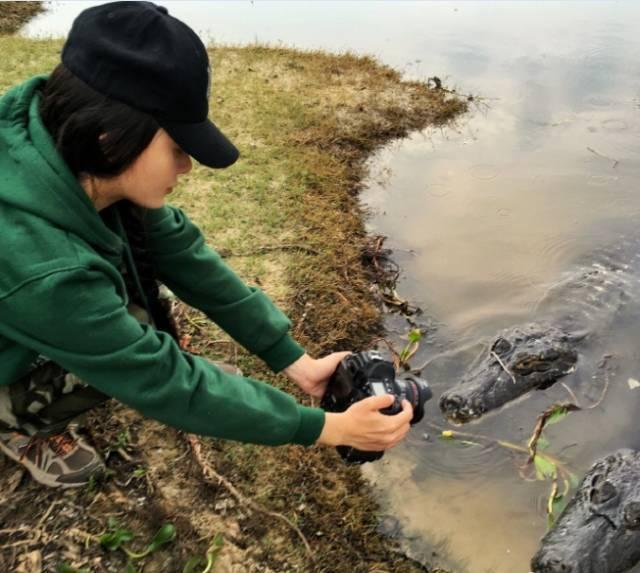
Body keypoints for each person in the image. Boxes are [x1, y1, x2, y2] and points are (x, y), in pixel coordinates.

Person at [0, 1, 412, 488]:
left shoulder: (61, 146)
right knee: (125, 335)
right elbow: (164, 382)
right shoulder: (45, 266)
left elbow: (186, 258)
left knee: (127, 318)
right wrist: (326, 427)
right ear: (112, 139)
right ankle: (16, 425)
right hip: (30, 296)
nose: (187, 167)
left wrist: (293, 361)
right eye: (177, 149)